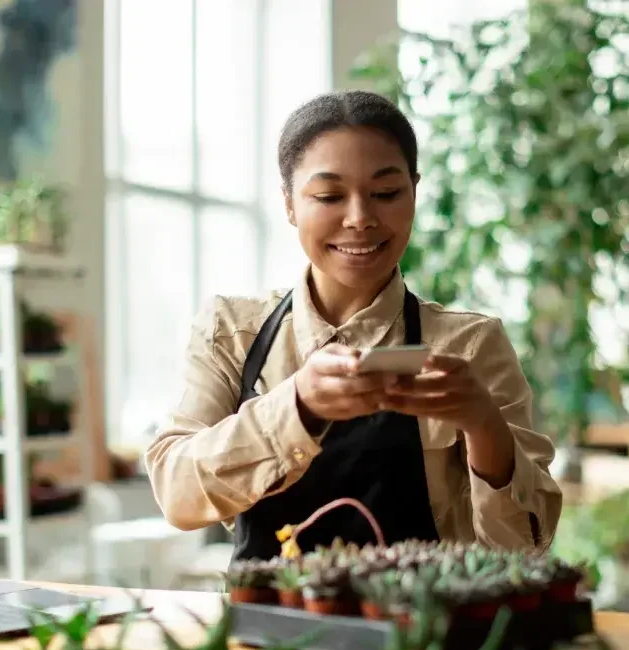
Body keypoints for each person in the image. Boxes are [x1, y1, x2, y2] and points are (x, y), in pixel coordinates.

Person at [146, 90, 562, 561]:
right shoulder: (231, 331)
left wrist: (484, 427)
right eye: (328, 196)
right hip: (267, 628)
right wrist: (297, 405)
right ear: (288, 204)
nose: (360, 218)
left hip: (419, 628)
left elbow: (524, 551)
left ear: (414, 191)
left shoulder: (470, 344)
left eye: (386, 193)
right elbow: (177, 497)